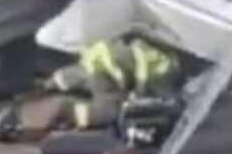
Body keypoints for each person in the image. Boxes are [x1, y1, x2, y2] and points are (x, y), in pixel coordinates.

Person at [46, 35, 182, 133]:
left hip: (158, 75)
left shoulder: (96, 79)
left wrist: (77, 120)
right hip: (155, 61)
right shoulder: (90, 59)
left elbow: (109, 109)